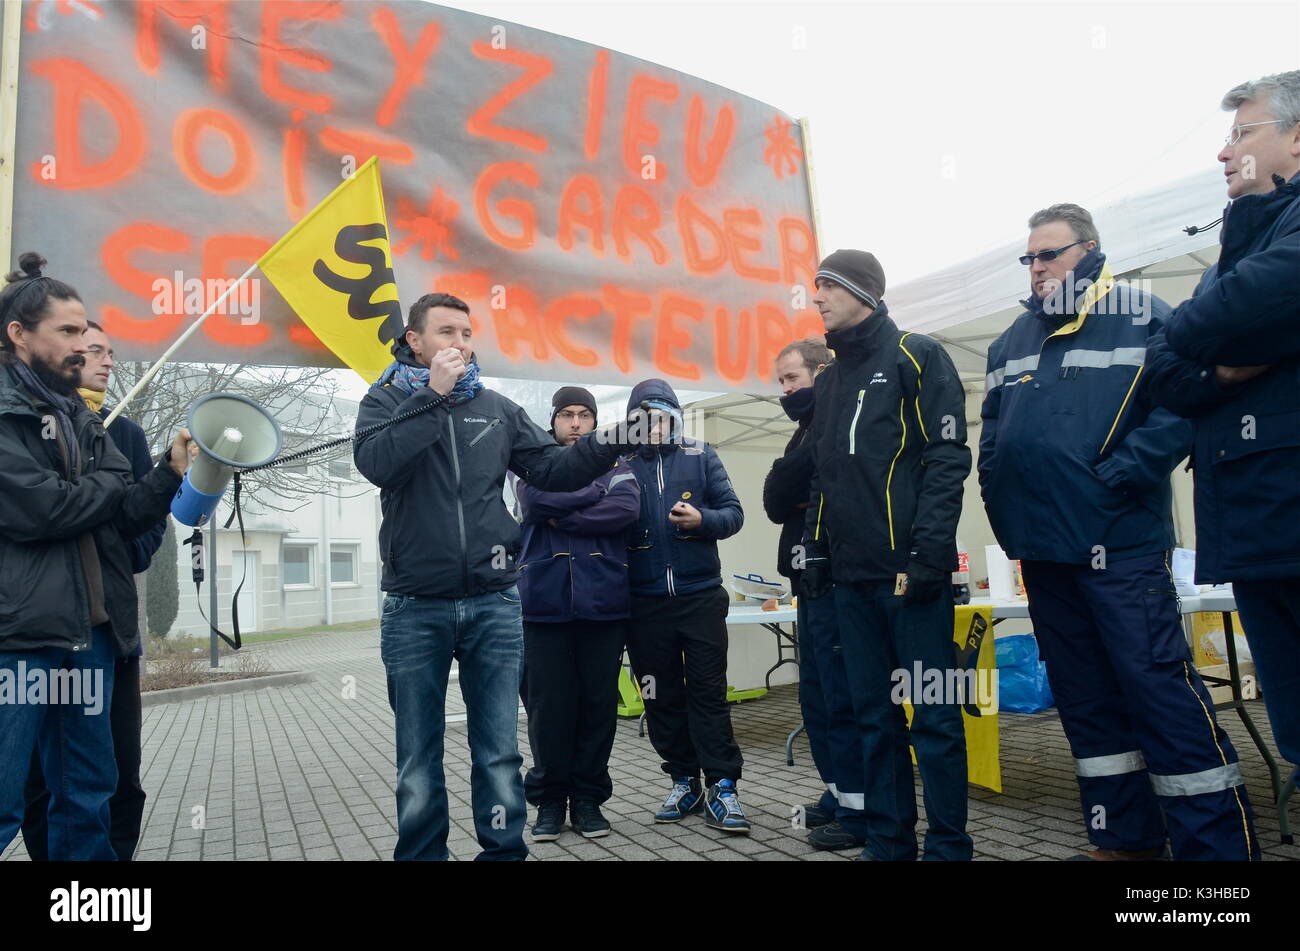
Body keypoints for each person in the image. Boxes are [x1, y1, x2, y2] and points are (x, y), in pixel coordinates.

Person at [981, 203, 1259, 861]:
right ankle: (1123, 838)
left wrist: (1125, 471)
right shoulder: (1010, 340)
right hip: (1043, 552)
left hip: (1121, 545)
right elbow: (992, 438)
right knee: (1086, 703)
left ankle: (1216, 852)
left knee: (1159, 692)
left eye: (1049, 253)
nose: (1037, 267)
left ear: (1089, 248)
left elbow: (1185, 402)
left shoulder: (1143, 312)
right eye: (1029, 257)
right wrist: (1001, 505)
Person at [353, 292, 631, 861]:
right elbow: (378, 464)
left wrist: (611, 441)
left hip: (494, 603)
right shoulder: (382, 402)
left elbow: (551, 469)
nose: (460, 344)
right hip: (414, 605)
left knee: (498, 749)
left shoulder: (496, 408)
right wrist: (432, 396)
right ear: (415, 341)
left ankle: (504, 851)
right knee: (418, 751)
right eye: (447, 333)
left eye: (466, 333)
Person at [0, 252, 191, 861]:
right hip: (22, 638)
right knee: (5, 800)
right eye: (67, 332)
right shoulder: (8, 414)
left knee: (87, 797)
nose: (83, 346)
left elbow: (120, 514)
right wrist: (103, 488)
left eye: (85, 331)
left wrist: (165, 475)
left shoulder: (77, 414)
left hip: (91, 634)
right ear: (19, 335)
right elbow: (43, 511)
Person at [1145, 70, 1300, 786]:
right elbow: (1163, 370)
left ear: (1295, 136)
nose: (1221, 153)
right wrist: (1217, 371)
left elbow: (1237, 307)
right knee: (1294, 728)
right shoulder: (1245, 240)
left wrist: (1192, 334)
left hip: (1284, 507)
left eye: (1241, 133)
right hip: (1255, 526)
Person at [801, 249, 972, 861]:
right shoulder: (830, 381)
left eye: (825, 286)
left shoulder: (917, 355)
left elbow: (947, 458)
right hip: (852, 579)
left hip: (911, 575)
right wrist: (814, 551)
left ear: (862, 291)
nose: (814, 297)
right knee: (874, 718)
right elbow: (823, 477)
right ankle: (889, 841)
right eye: (813, 287)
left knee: (934, 717)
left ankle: (949, 846)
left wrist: (929, 552)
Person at [21, 321, 168, 862]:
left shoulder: (124, 433)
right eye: (93, 351)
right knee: (41, 780)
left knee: (115, 771)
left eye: (111, 351)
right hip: (42, 630)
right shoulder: (26, 425)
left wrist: (115, 543)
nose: (107, 361)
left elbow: (147, 522)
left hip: (111, 629)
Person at [620, 379, 748, 833]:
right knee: (659, 697)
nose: (654, 426)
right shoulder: (619, 462)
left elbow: (734, 514)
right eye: (644, 417)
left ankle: (724, 786)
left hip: (699, 598)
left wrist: (702, 521)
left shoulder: (701, 453)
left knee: (709, 693)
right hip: (643, 605)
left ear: (674, 415)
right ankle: (682, 779)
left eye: (662, 415)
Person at [516, 386, 640, 841]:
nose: (575, 422)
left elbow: (625, 510)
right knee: (548, 710)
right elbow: (533, 503)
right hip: (543, 606)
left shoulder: (618, 465)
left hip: (603, 605)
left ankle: (588, 800)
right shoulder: (530, 464)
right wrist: (592, 496)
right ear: (553, 422)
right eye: (566, 414)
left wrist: (565, 513)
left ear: (594, 423)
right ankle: (549, 802)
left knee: (596, 707)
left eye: (584, 415)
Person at [763, 338, 869, 851]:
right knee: (817, 699)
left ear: (822, 371)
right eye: (780, 382)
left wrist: (789, 478)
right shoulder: (802, 432)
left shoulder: (838, 421)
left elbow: (803, 488)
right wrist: (789, 478)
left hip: (835, 580)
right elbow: (775, 499)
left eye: (792, 379)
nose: (785, 390)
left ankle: (860, 810)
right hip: (804, 583)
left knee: (841, 697)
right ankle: (837, 793)